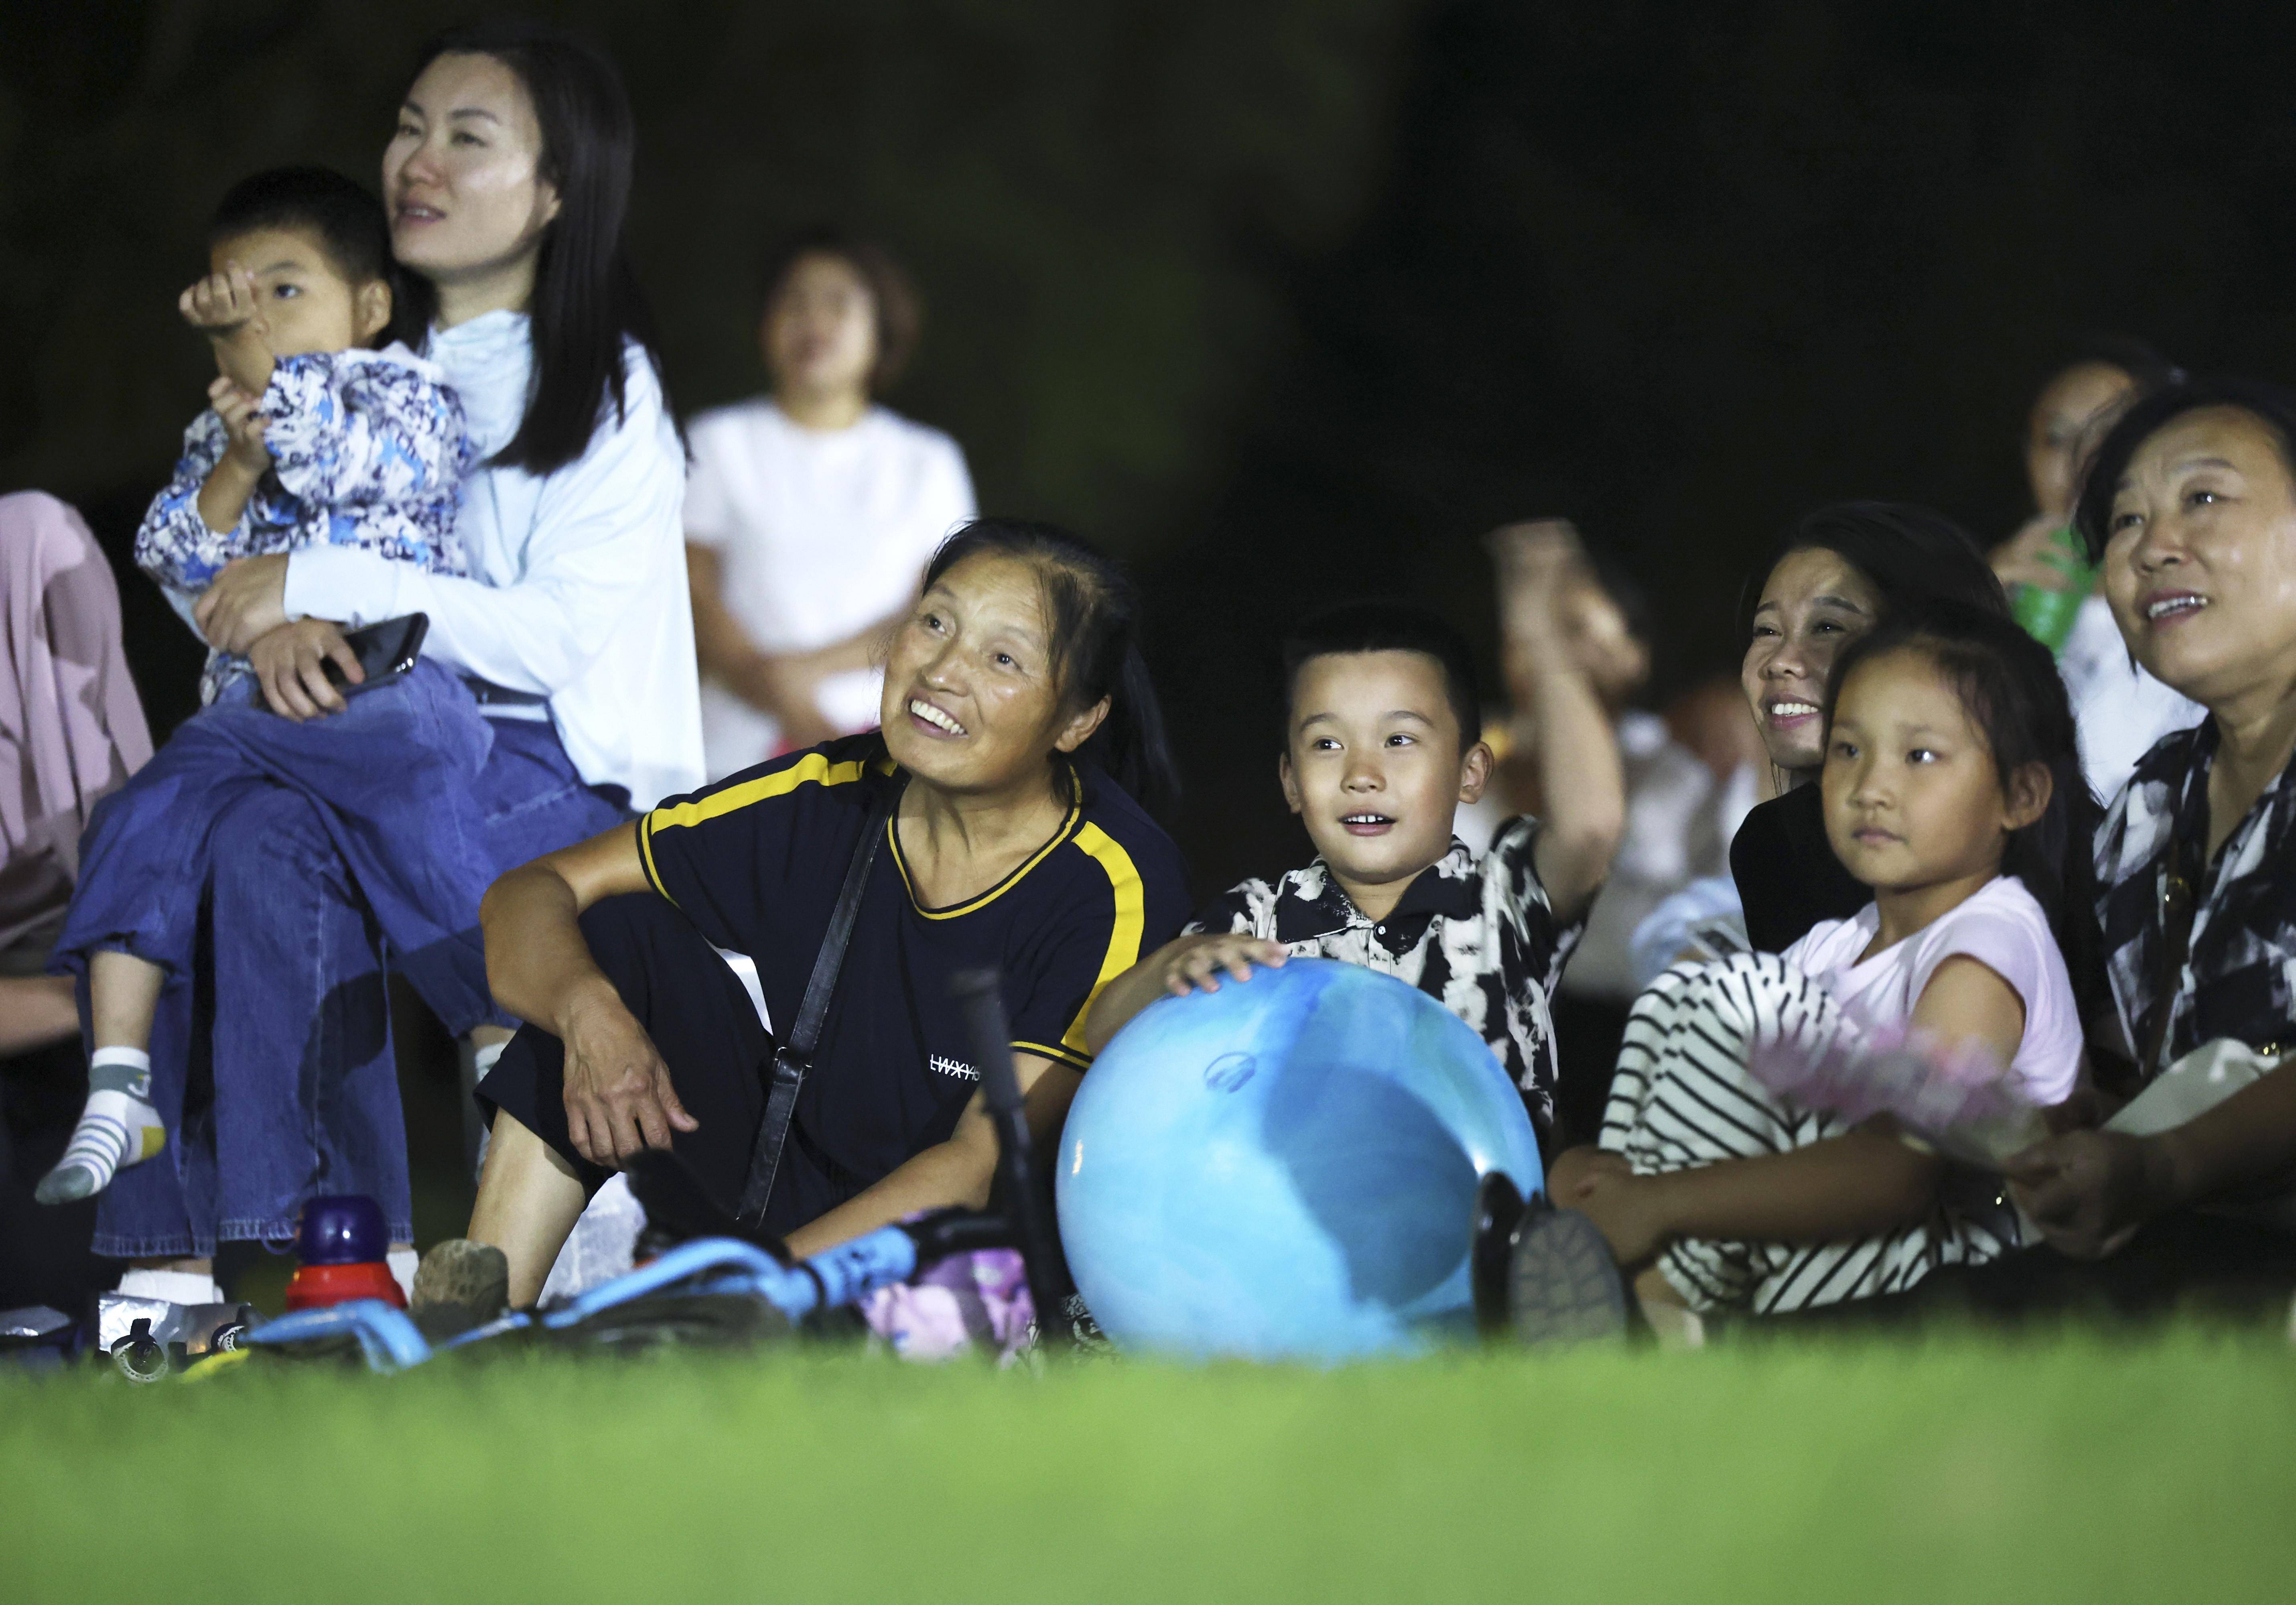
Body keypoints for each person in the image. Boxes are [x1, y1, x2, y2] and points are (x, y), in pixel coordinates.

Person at [66, 21, 698, 1310]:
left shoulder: (598, 389)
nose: (420, 158)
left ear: (556, 189)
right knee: (255, 839)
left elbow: (549, 638)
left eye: (470, 137)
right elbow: (225, 569)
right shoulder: (355, 374)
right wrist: (280, 623)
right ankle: (344, 1256)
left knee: (270, 789)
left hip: (555, 789)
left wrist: (320, 594)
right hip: (365, 745)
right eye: (410, 125)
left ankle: (551, 1102)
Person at [459, 520, 1190, 1308]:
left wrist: (733, 1293)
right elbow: (530, 892)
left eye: (1002, 657)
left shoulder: (1111, 880)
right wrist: (588, 1012)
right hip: (782, 1182)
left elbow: (976, 1164)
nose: (941, 670)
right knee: (616, 940)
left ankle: (687, 1309)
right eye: (934, 622)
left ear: (1077, 720)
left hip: (949, 1260)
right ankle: (475, 1319)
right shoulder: (828, 787)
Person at [41, 165, 487, 1205]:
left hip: (384, 693)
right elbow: (172, 555)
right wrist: (233, 469)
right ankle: (124, 1088)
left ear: (370, 307)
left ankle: (510, 1024)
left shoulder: (404, 395)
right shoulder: (221, 431)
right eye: (233, 295)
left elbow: (342, 459)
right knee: (182, 849)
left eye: (284, 291)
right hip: (255, 734)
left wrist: (252, 367)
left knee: (199, 793)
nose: (256, 319)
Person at [1547, 599, 2101, 1321]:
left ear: (2019, 796)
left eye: (1919, 756)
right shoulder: (1835, 945)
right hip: (1840, 1254)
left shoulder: (1989, 941)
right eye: (1848, 750)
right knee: (1691, 994)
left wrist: (1657, 1202)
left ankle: (1650, 1303)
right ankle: (1616, 1258)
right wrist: (1609, 1178)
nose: (1871, 786)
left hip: (1962, 1267)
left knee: (1741, 994)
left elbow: (1901, 1171)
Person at [1924, 376, 2296, 1315]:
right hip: (2192, 1264)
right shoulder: (2151, 806)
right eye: (2123, 523)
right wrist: (2093, 1119)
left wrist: (2161, 1159)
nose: (2151, 548)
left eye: (2202, 498)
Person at [1084, 523, 1626, 1150]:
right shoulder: (1257, 919)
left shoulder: (1501, 902)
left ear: (1469, 772)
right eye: (1326, 744)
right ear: (1290, 782)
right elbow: (1106, 1034)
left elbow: (1588, 829)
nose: (1362, 775)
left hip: (1481, 1231)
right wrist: (1165, 972)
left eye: (1399, 741)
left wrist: (1543, 644)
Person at [684, 230, 975, 778]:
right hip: (730, 750)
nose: (813, 321)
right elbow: (694, 592)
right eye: (794, 302)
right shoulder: (716, 442)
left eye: (838, 303)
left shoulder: (927, 462)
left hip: (887, 746)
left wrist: (806, 676)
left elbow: (944, 606)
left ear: (881, 328)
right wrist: (782, 697)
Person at [1730, 503, 2010, 955]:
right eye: (1765, 631)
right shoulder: (1775, 845)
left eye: (1826, 627)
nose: (1779, 661)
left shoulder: (2025, 835)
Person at [1991, 341, 2202, 802]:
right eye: (2055, 438)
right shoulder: (1991, 604)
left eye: (2113, 432)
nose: (2082, 461)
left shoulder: (2213, 601)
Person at [0, 494, 152, 1056]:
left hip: (104, 936)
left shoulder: (31, 546)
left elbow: (134, 858)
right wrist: (93, 1002)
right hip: (62, 1004)